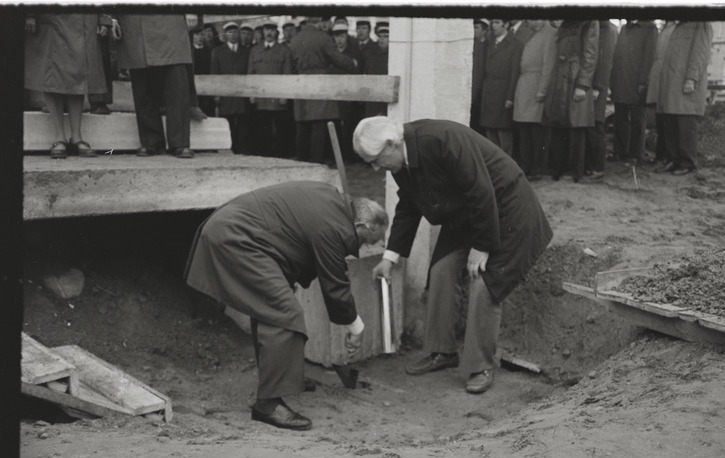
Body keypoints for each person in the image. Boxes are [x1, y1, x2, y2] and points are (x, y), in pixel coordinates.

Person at [354, 117, 553, 394]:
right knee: (441, 270)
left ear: (391, 144)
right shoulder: (401, 159)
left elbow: (481, 189)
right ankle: (441, 351)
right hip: (471, 214)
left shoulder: (441, 140)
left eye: (375, 160)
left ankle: (479, 365)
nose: (376, 168)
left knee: (484, 281)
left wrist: (482, 246)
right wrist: (390, 257)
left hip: (508, 210)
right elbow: (409, 205)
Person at [184, 181, 388, 430]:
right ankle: (268, 405)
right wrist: (356, 327)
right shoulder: (335, 226)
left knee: (272, 305)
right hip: (237, 238)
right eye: (366, 241)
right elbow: (335, 285)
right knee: (283, 311)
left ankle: (281, 379)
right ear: (361, 225)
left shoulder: (333, 203)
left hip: (238, 230)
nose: (361, 249)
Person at [24, 13, 109, 158]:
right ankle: (59, 138)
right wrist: (30, 13)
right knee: (53, 76)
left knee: (78, 72)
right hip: (53, 16)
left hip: (85, 18)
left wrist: (105, 19)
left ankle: (77, 137)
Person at [115, 14, 195, 158]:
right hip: (133, 20)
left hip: (171, 19)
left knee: (177, 84)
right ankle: (151, 141)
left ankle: (180, 143)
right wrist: (110, 18)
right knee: (142, 85)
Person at [289, 16, 359, 164]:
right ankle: (316, 162)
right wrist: (351, 63)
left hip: (300, 84)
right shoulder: (323, 38)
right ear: (319, 21)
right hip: (320, 83)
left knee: (302, 126)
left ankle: (301, 161)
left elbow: (291, 66)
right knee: (319, 125)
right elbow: (336, 57)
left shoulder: (295, 39)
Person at [541, 20, 599, 182]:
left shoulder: (589, 22)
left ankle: (574, 171)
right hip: (561, 78)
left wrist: (582, 84)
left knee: (576, 128)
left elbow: (590, 55)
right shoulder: (566, 24)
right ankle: (557, 170)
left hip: (575, 78)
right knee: (559, 126)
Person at [655, 21, 713, 176]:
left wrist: (691, 78)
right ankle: (673, 159)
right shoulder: (678, 26)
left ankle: (687, 163)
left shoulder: (700, 24)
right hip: (672, 84)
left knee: (685, 124)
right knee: (672, 123)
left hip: (685, 84)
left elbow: (701, 53)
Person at [609, 20, 657, 167]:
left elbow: (649, 56)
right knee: (620, 118)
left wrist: (643, 81)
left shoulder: (650, 28)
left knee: (637, 119)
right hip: (621, 79)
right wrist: (613, 79)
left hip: (637, 82)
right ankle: (620, 152)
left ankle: (637, 154)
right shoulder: (624, 28)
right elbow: (617, 55)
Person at [512, 19, 556, 181]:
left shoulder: (550, 34)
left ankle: (538, 168)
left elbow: (548, 65)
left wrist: (542, 90)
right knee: (524, 129)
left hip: (535, 86)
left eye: (531, 19)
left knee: (537, 132)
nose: (528, 22)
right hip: (525, 86)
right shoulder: (534, 33)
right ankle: (526, 166)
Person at [248, 18, 293, 157]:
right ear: (263, 32)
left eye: (272, 30)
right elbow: (251, 73)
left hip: (277, 97)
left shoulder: (284, 50)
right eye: (267, 30)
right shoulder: (255, 50)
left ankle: (281, 156)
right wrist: (252, 94)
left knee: (280, 128)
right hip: (261, 97)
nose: (269, 33)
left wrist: (284, 95)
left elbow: (287, 74)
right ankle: (265, 156)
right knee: (263, 128)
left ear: (276, 32)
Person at [480, 19, 522, 157]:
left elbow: (515, 73)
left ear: (507, 24)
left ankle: (506, 168)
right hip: (489, 93)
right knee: (490, 134)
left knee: (504, 134)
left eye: (497, 22)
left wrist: (510, 97)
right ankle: (494, 167)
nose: (493, 26)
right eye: (492, 22)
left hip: (503, 94)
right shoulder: (489, 43)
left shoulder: (515, 44)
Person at [211, 21, 253, 155]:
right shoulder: (217, 51)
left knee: (243, 124)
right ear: (225, 34)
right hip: (226, 95)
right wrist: (216, 93)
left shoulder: (246, 51)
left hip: (242, 94)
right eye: (229, 32)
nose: (233, 35)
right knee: (227, 123)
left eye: (235, 31)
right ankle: (229, 150)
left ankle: (243, 151)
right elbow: (214, 74)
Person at [584, 19, 618, 179]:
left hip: (597, 85)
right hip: (591, 83)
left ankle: (597, 167)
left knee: (596, 125)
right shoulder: (599, 26)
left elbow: (605, 61)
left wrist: (598, 86)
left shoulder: (607, 30)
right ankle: (591, 165)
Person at [331, 21, 364, 162]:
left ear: (347, 37)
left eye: (342, 36)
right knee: (335, 125)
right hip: (334, 94)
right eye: (337, 36)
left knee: (349, 126)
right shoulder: (330, 53)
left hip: (348, 95)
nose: (339, 40)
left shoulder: (354, 53)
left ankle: (349, 156)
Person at [646, 21, 677, 167]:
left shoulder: (675, 29)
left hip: (668, 80)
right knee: (660, 120)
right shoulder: (665, 29)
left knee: (667, 121)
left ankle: (667, 156)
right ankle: (661, 155)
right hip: (658, 78)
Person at [363, 24, 389, 117]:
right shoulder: (371, 55)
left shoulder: (393, 56)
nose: (382, 39)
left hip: (386, 97)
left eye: (386, 37)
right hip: (371, 98)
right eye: (380, 36)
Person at [470, 18, 490, 135]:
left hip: (482, 92)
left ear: (484, 30)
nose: (474, 30)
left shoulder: (487, 46)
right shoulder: (474, 45)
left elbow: (480, 72)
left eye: (477, 28)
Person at [190, 26, 215, 118]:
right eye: (197, 35)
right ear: (192, 36)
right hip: (193, 89)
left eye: (202, 34)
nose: (200, 37)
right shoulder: (189, 52)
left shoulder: (211, 51)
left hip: (207, 90)